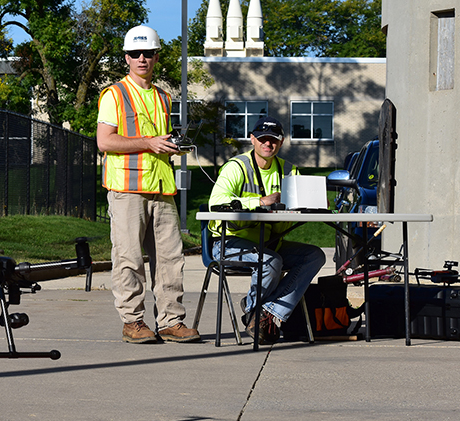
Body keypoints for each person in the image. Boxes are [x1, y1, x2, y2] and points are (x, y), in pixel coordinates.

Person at [96, 25, 200, 344]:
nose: (142, 58)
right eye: (136, 54)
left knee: (170, 259)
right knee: (129, 257)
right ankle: (133, 322)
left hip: (161, 188)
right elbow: (105, 141)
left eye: (149, 53)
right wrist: (148, 143)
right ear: (126, 58)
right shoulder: (114, 94)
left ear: (156, 57)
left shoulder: (163, 97)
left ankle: (171, 321)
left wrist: (170, 145)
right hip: (127, 189)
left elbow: (158, 140)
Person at [208, 116, 325, 344]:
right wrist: (260, 201)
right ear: (252, 139)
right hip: (228, 243)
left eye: (273, 140)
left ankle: (266, 311)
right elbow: (216, 203)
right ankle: (257, 315)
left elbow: (306, 201)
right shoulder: (236, 167)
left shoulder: (289, 170)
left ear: (281, 143)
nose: (268, 144)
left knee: (314, 256)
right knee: (271, 261)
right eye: (262, 139)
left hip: (270, 243)